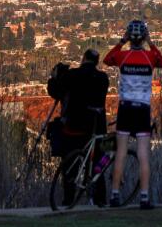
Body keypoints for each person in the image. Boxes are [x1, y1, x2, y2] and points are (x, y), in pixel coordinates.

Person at [104, 19, 162, 209]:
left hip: (125, 108)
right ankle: (144, 197)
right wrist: (151, 42)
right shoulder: (150, 58)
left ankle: (114, 195)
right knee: (143, 155)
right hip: (142, 109)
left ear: (129, 37)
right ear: (144, 37)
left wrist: (121, 42)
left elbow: (107, 59)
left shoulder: (123, 57)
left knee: (121, 153)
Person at [46, 49, 110, 206]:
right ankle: (100, 199)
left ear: (83, 59)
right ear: (97, 61)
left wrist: (54, 77)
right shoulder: (103, 78)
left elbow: (56, 92)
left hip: (73, 128)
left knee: (70, 167)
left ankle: (68, 200)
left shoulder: (71, 76)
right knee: (98, 166)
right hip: (96, 129)